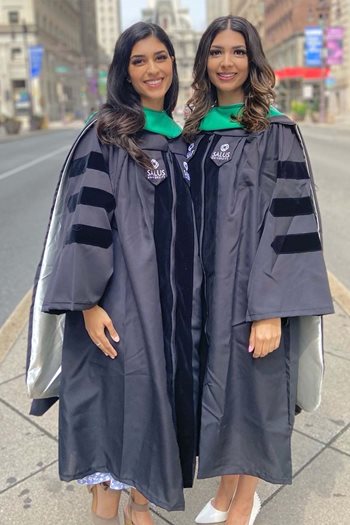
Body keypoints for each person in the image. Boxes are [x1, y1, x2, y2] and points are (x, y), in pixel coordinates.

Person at [26, 22, 201, 525]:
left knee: (159, 397)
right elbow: (84, 223)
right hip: (119, 300)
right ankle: (111, 505)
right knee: (113, 400)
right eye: (139, 60)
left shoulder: (183, 140)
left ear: (174, 64)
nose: (153, 69)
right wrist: (88, 303)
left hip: (176, 301)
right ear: (124, 71)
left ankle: (140, 502)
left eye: (161, 57)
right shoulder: (107, 133)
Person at [183, 16, 333, 525]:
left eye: (238, 52)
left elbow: (290, 220)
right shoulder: (192, 134)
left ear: (254, 60)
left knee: (247, 392)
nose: (227, 62)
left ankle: (244, 500)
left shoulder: (274, 131)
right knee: (217, 390)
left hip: (251, 292)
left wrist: (269, 310)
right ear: (204, 60)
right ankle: (226, 489)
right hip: (203, 293)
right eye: (217, 52)